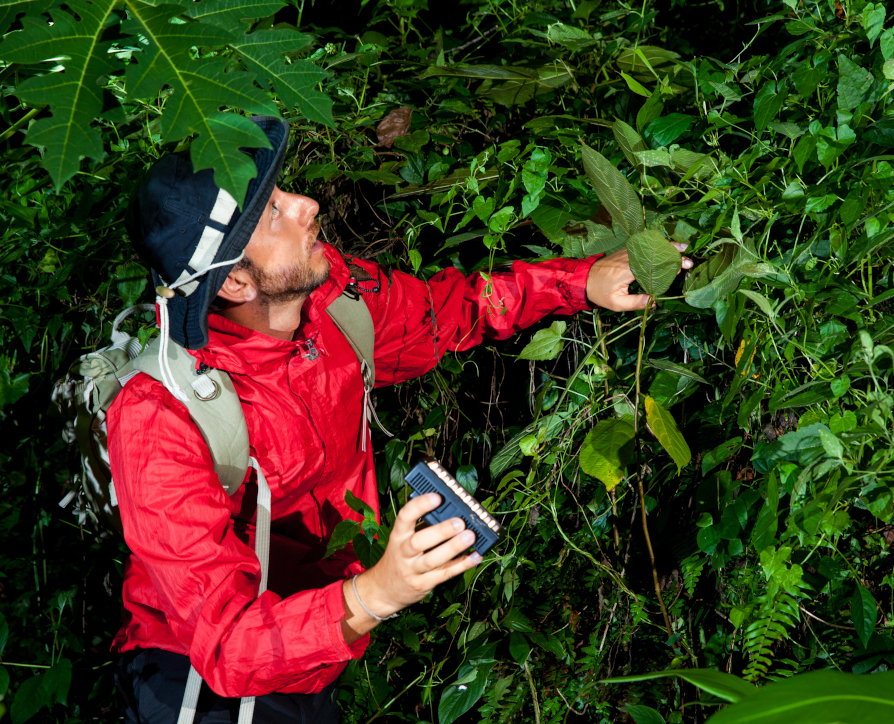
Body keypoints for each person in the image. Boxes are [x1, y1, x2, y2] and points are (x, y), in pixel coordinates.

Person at [109, 116, 691, 723]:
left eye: (283, 193)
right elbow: (228, 645)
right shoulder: (159, 419)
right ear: (232, 281)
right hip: (194, 685)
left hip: (319, 649)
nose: (306, 205)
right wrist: (379, 591)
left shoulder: (333, 304)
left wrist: (579, 281)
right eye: (273, 214)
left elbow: (449, 310)